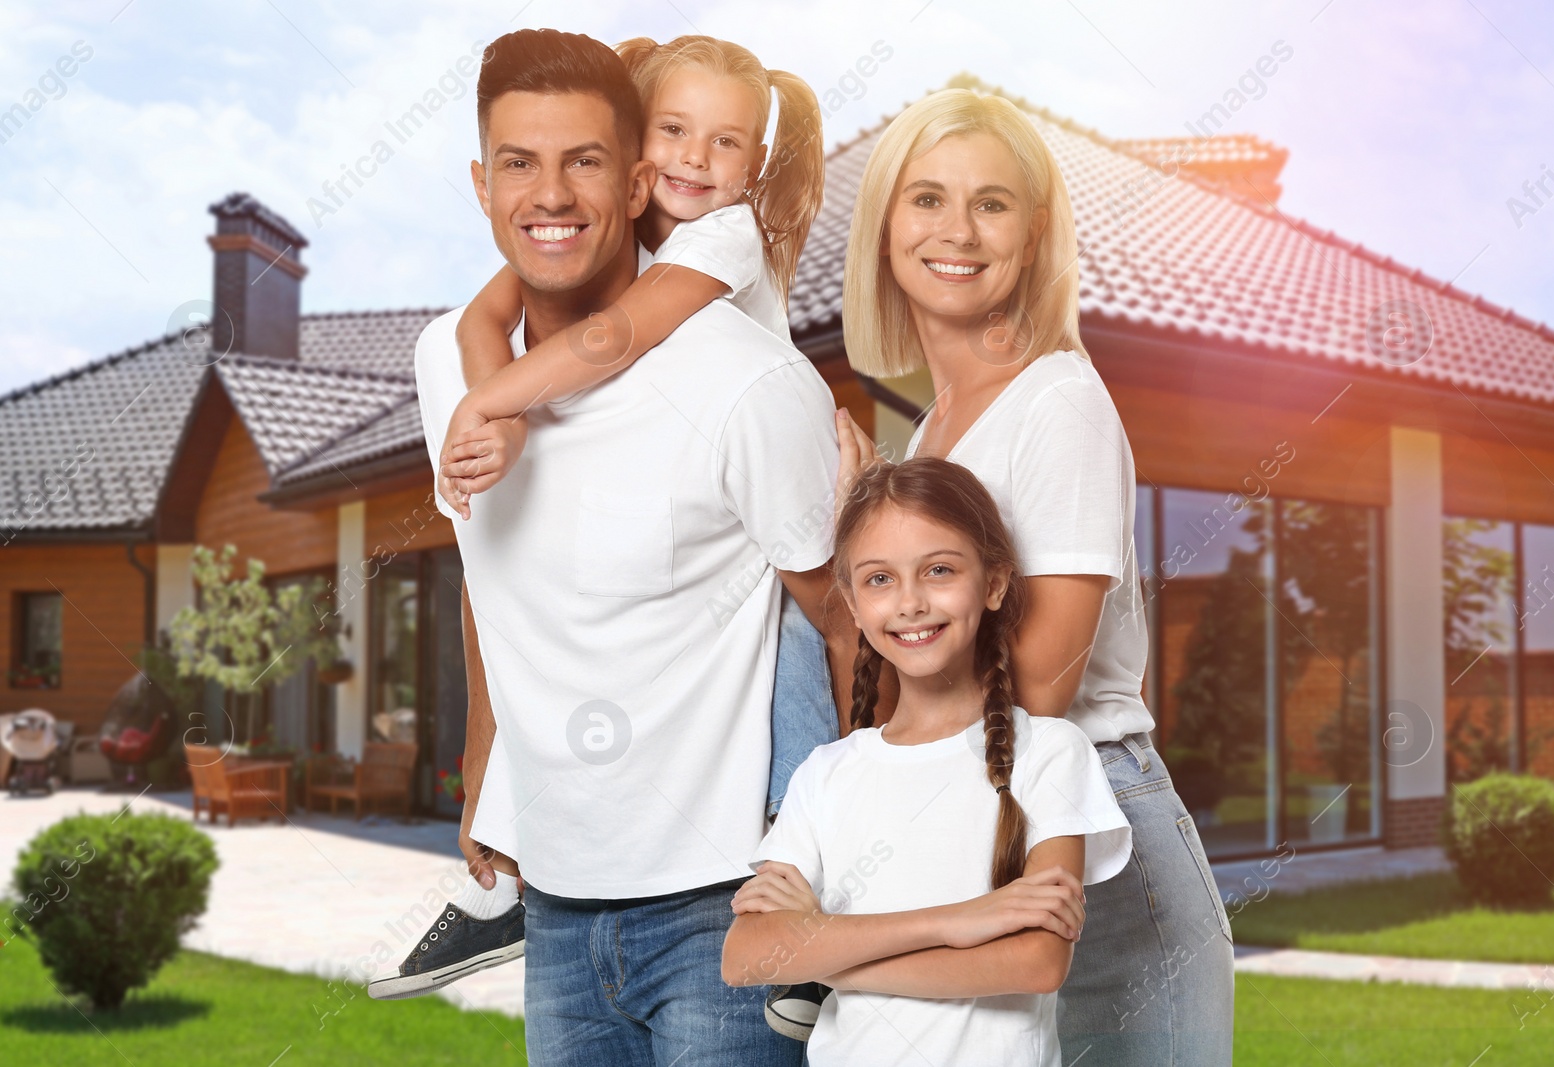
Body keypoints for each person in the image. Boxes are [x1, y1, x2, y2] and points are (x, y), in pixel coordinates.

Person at [372, 35, 845, 1015]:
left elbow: (614, 336)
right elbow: (482, 311)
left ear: (752, 168)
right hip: (572, 876)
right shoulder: (575, 262)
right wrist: (480, 390)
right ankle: (499, 887)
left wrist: (493, 402)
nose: (691, 160)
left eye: (723, 143)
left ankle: (806, 895)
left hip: (776, 503)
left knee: (798, 661)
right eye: (672, 129)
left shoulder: (717, 238)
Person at [834, 88, 1237, 1063]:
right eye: (925, 198)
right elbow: (885, 690)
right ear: (885, 226)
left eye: (992, 203)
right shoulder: (932, 432)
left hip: (1093, 821)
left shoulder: (1056, 402)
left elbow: (1043, 684)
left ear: (1036, 231)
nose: (956, 230)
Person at [721, 457, 1131, 1066]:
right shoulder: (827, 773)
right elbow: (748, 954)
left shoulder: (1049, 753)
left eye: (938, 570)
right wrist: (962, 920)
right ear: (853, 606)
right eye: (879, 579)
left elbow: (1037, 961)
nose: (909, 602)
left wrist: (832, 959)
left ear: (993, 583)